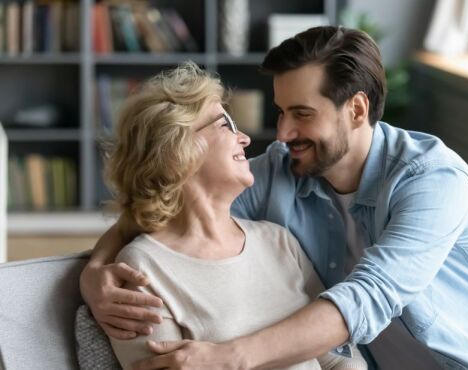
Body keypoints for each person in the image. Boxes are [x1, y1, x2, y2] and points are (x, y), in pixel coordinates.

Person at [81, 26, 468, 369]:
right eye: (280, 111)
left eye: (302, 113)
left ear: (355, 109)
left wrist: (228, 359)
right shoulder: (281, 170)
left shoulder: (434, 181)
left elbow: (368, 296)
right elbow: (168, 199)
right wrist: (95, 272)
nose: (283, 131)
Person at [91, 61, 366, 370]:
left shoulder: (278, 240)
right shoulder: (143, 270)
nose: (245, 138)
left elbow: (339, 359)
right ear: (178, 148)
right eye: (225, 126)